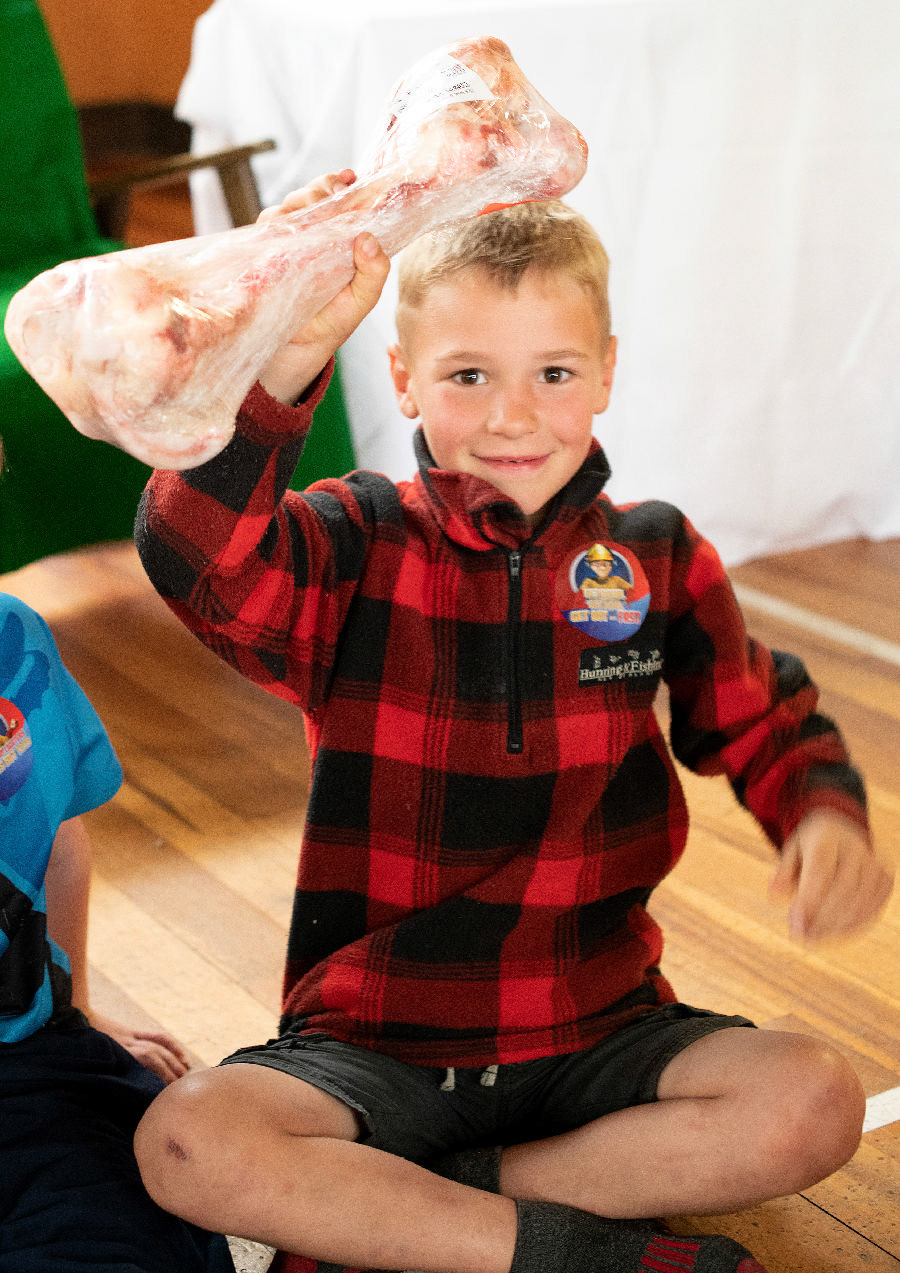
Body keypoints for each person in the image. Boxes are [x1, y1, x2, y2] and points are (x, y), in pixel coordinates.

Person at [131, 174, 893, 1273]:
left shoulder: (655, 552)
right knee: (187, 1140)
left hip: (598, 1026)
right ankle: (584, 1254)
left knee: (813, 1100)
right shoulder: (354, 539)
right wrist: (283, 366)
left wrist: (820, 812)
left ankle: (422, 1213)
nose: (513, 415)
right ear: (404, 377)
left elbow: (762, 710)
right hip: (376, 1042)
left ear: (607, 372)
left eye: (554, 373)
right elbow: (194, 553)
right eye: (469, 374)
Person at [0, 581, 235, 1273]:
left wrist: (75, 1007)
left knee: (140, 1223)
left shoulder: (13, 639)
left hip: (24, 1059)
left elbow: (59, 840)